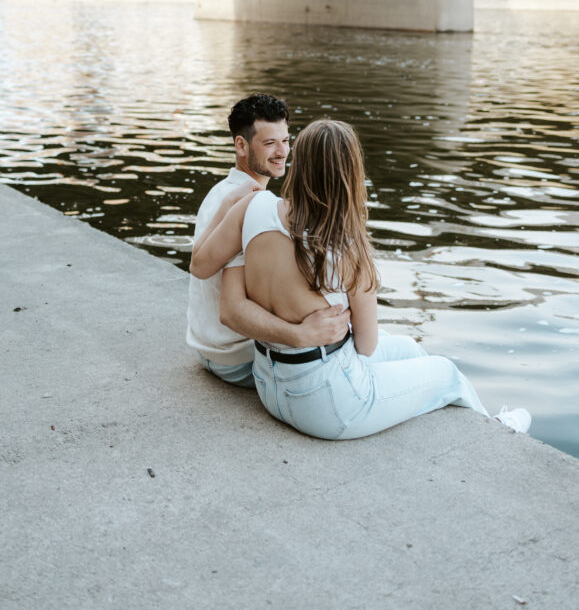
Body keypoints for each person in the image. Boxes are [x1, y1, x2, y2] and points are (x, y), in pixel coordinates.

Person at [191, 118, 531, 439]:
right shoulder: (346, 246)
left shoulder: (254, 207)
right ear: (350, 174)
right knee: (447, 374)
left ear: (301, 163)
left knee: (410, 347)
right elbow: (366, 346)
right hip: (327, 405)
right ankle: (497, 429)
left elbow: (209, 273)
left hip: (268, 384)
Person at [186, 95, 350, 388]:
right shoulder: (253, 206)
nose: (282, 152)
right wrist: (302, 335)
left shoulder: (222, 192)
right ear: (241, 145)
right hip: (237, 358)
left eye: (286, 140)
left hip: (209, 348)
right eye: (270, 143)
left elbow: (197, 265)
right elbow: (231, 310)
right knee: (343, 348)